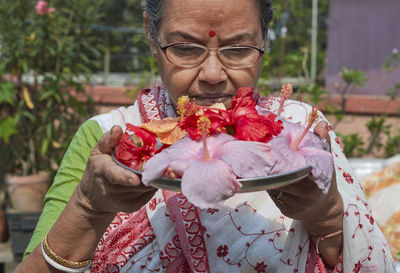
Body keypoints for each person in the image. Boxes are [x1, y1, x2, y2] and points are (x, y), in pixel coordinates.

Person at [16, 0, 395, 272]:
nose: (213, 73)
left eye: (238, 49)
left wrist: (326, 215)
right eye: (184, 48)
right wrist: (88, 208)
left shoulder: (299, 134)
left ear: (265, 40)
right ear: (152, 36)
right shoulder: (113, 140)